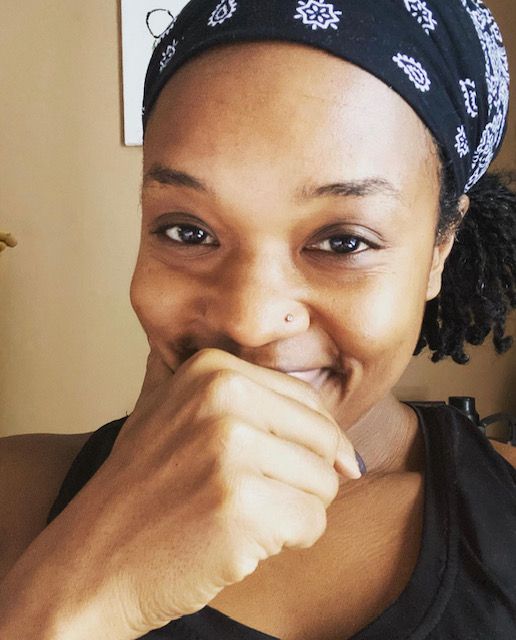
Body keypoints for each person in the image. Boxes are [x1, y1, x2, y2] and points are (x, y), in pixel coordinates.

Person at [1, 0, 515, 638]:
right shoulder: (13, 497)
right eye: (188, 231)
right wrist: (67, 600)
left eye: (343, 242)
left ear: (441, 247)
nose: (249, 321)